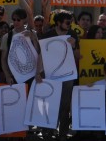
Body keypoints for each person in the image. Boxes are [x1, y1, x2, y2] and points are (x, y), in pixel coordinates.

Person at [38, 10, 78, 141]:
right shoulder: (47, 35)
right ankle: (47, 131)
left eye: (71, 22)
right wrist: (38, 73)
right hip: (50, 76)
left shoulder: (72, 34)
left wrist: (74, 46)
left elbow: (78, 55)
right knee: (49, 104)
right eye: (67, 22)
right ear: (59, 22)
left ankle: (62, 134)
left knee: (65, 106)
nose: (69, 25)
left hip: (67, 77)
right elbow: (40, 56)